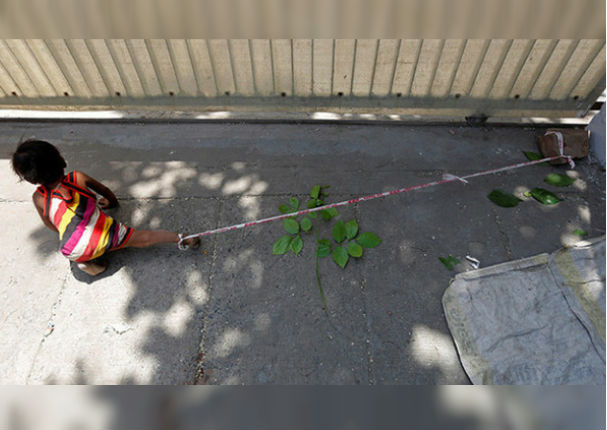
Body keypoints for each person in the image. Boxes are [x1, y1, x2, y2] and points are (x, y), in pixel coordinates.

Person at [11, 139, 200, 276]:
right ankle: (184, 238)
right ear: (60, 159)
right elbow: (105, 191)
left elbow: (51, 225)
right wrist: (112, 203)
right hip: (107, 235)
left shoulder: (38, 198)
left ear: (31, 179)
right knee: (145, 238)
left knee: (91, 265)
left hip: (74, 249)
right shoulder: (78, 178)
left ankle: (92, 267)